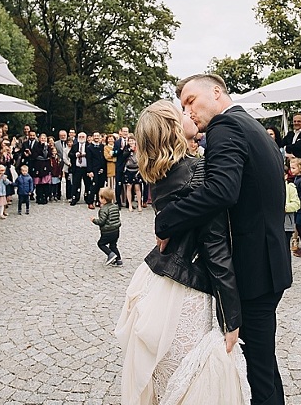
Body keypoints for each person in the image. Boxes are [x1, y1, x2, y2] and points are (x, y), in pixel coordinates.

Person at [154, 74, 292, 405]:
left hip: (253, 269)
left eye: (190, 101)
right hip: (270, 262)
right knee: (263, 364)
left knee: (256, 373)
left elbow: (222, 191)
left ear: (216, 93)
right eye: (183, 106)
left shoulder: (224, 128)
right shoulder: (252, 125)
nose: (188, 111)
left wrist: (166, 221)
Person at [116, 100, 248, 404]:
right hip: (184, 292)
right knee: (187, 381)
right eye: (181, 113)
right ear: (174, 129)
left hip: (156, 281)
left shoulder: (160, 172)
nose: (189, 113)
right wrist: (231, 318)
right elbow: (216, 247)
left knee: (165, 382)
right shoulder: (198, 171)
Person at [91, 187, 122, 266]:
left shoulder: (103, 209)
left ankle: (110, 254)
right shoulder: (115, 206)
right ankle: (118, 260)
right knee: (113, 245)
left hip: (107, 231)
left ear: (104, 199)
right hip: (116, 230)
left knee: (101, 244)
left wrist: (94, 220)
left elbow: (102, 221)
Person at [69, 132, 90, 206]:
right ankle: (75, 198)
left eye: (83, 136)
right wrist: (75, 155)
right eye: (80, 136)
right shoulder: (75, 146)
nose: (81, 138)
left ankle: (87, 198)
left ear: (86, 137)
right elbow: (70, 154)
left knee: (87, 184)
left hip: (86, 168)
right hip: (77, 168)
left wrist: (86, 155)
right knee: (76, 184)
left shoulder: (88, 146)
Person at [122, 135, 143, 212]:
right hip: (128, 169)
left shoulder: (139, 149)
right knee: (129, 187)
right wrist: (129, 150)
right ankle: (130, 205)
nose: (131, 142)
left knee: (137, 188)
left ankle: (139, 205)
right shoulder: (126, 148)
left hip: (137, 169)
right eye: (129, 141)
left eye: (132, 140)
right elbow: (123, 156)